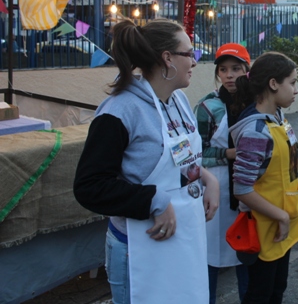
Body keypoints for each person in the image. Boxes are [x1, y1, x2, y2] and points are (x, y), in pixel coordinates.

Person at [74, 19, 220, 304]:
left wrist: (206, 177)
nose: (195, 61)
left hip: (184, 240)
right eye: (189, 53)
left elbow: (179, 158)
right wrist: (154, 200)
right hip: (139, 248)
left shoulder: (178, 100)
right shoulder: (119, 111)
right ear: (167, 58)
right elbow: (89, 186)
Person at [229, 51, 298, 304]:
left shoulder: (278, 118)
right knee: (260, 294)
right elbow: (242, 188)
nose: (296, 90)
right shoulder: (255, 131)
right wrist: (281, 216)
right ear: (273, 84)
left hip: (279, 224)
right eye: (293, 82)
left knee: (277, 288)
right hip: (265, 227)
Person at [194, 43, 252, 303]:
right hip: (215, 191)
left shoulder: (258, 103)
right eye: (223, 69)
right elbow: (195, 153)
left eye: (236, 69)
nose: (229, 75)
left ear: (247, 70)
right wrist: (227, 154)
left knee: (247, 253)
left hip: (250, 191)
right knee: (210, 255)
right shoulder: (208, 106)